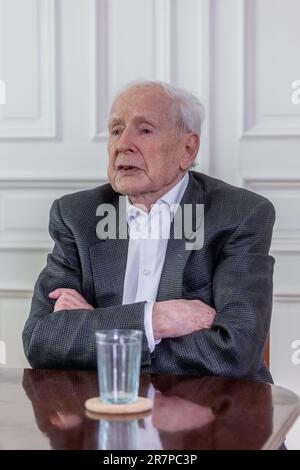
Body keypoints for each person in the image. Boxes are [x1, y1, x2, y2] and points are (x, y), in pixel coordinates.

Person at [22, 80, 275, 382]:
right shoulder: (77, 216)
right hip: (104, 410)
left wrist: (95, 330)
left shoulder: (239, 214)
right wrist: (158, 320)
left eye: (144, 130)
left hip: (213, 412)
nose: (123, 144)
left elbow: (234, 353)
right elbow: (41, 341)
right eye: (116, 130)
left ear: (187, 148)